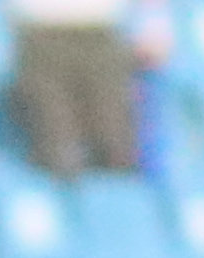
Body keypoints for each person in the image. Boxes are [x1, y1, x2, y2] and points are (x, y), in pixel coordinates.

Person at [7, 0, 135, 186]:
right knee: (58, 149)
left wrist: (154, 21)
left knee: (115, 148)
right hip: (40, 29)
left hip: (103, 29)